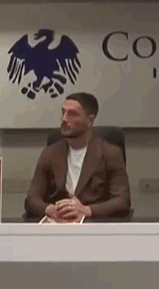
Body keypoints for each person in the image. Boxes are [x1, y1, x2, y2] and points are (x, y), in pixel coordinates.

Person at [24, 92, 131, 222]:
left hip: (93, 224)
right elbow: (31, 199)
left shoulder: (110, 153)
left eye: (72, 114)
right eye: (63, 112)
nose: (64, 119)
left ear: (90, 120)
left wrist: (87, 210)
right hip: (58, 224)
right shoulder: (50, 153)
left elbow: (122, 201)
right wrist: (49, 209)